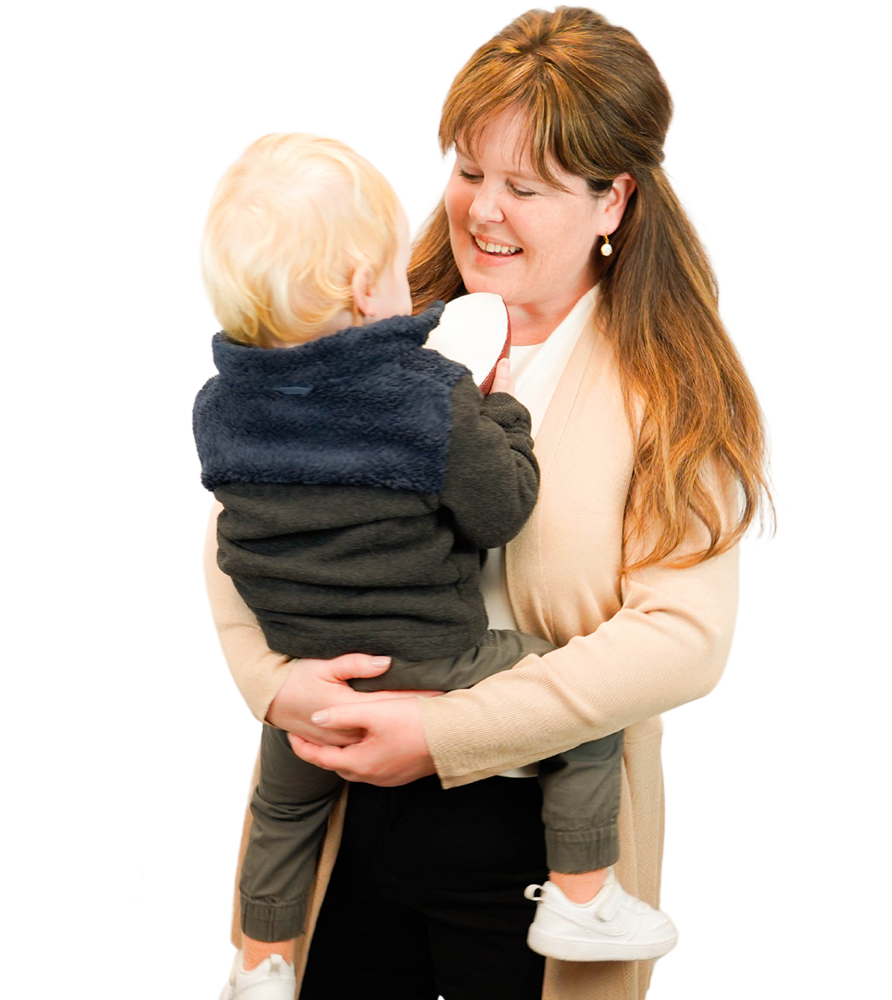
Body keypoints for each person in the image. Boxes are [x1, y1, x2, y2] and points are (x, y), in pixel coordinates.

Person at [201, 7, 779, 1000]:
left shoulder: (676, 388)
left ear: (613, 200)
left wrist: (443, 734)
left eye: (527, 186)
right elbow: (249, 526)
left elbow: (683, 639)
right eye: (469, 171)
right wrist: (274, 686)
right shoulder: (367, 324)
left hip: (537, 840)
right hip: (337, 815)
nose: (483, 211)